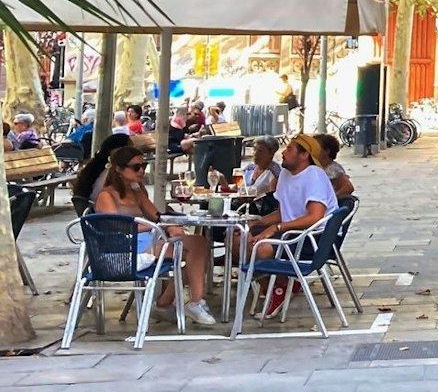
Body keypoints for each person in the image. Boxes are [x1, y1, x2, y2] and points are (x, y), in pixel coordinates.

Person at [94, 144, 216, 327]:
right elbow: (119, 227)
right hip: (123, 251)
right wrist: (160, 227)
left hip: (146, 241)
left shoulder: (136, 191)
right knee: (194, 249)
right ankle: (189, 303)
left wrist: (169, 226)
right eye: (136, 167)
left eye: (144, 166)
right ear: (119, 169)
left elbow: (157, 216)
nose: (142, 171)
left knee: (199, 245)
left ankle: (185, 302)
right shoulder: (107, 196)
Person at [230, 133, 333, 320]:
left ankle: (278, 288)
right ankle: (276, 283)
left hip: (311, 237)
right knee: (237, 237)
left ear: (304, 155)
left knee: (261, 248)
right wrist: (258, 222)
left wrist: (276, 228)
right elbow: (283, 210)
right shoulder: (285, 175)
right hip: (289, 231)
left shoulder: (313, 176)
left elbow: (314, 217)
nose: (283, 152)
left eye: (290, 149)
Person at [311, 133, 355, 199]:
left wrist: (331, 199)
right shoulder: (314, 166)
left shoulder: (333, 169)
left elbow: (348, 187)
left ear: (326, 151)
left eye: (316, 147)